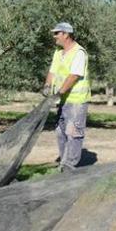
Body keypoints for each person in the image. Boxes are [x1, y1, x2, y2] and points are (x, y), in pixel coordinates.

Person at [42, 21, 91, 172]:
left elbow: (74, 76)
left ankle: (69, 167)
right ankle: (64, 163)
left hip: (76, 102)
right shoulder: (58, 52)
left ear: (66, 34)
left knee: (73, 133)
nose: (54, 36)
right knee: (60, 132)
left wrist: (59, 92)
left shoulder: (79, 53)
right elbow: (53, 71)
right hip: (63, 101)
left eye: (57, 33)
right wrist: (47, 86)